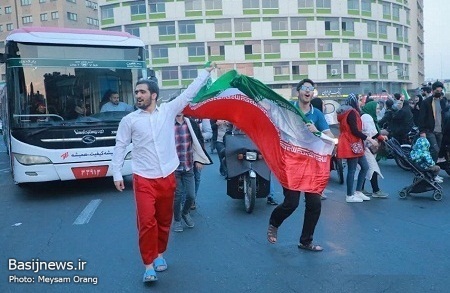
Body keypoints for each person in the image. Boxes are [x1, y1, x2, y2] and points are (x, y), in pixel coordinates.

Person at [111, 62, 216, 282]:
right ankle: (148, 265)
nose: (138, 95)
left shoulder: (168, 111)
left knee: (164, 219)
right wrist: (117, 174)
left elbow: (189, 92)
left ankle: (160, 254)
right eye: (136, 92)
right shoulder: (129, 120)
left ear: (154, 95)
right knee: (147, 222)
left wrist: (205, 72)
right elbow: (120, 146)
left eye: (142, 92)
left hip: (167, 175)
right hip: (143, 179)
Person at [267, 78, 334, 252]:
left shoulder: (317, 114)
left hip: (311, 165)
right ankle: (274, 222)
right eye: (305, 88)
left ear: (313, 93)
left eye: (311, 89)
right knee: (291, 203)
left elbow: (329, 135)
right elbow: (271, 115)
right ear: (298, 91)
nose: (308, 91)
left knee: (315, 204)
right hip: (290, 163)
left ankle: (305, 241)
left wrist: (317, 131)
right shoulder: (288, 108)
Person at [173, 113, 212, 232]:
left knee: (191, 195)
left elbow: (198, 141)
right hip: (174, 168)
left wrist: (199, 159)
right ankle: (177, 220)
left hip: (188, 165)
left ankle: (185, 213)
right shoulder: (167, 125)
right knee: (178, 196)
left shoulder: (191, 123)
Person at [336, 93, 376, 203]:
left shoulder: (345, 112)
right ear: (354, 101)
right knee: (353, 169)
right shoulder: (352, 112)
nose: (360, 101)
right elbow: (354, 130)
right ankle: (350, 195)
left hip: (352, 142)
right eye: (358, 99)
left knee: (364, 166)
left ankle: (357, 191)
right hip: (352, 142)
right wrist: (369, 139)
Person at [360, 101, 389, 198]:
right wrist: (380, 137)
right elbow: (370, 132)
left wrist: (380, 136)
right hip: (366, 146)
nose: (378, 111)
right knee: (373, 167)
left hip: (365, 146)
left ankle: (361, 189)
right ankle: (375, 190)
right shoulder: (367, 117)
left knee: (364, 168)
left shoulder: (367, 116)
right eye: (376, 109)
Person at [418, 81, 449, 164]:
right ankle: (431, 170)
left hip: (440, 131)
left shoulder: (443, 102)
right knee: (435, 150)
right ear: (432, 91)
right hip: (429, 130)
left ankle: (433, 169)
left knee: (438, 152)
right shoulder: (426, 102)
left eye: (440, 91)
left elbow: (445, 114)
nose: (439, 93)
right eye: (437, 91)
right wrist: (422, 131)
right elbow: (421, 118)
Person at [191, 118, 213, 210]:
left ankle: (192, 199)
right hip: (183, 150)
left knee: (197, 176)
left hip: (198, 150)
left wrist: (196, 136)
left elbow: (209, 133)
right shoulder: (180, 113)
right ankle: (185, 200)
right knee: (184, 177)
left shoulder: (202, 116)